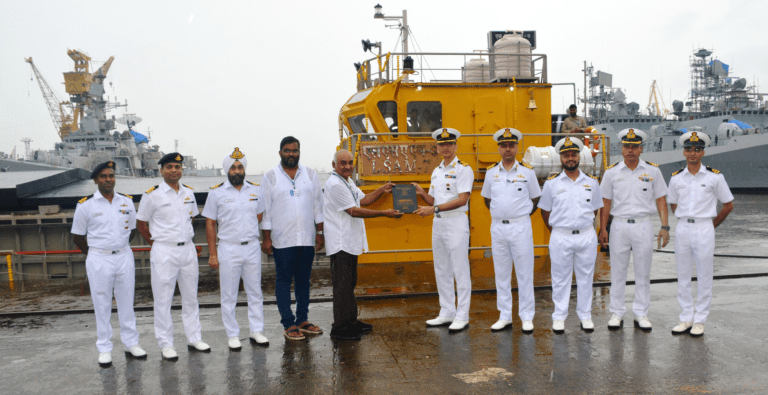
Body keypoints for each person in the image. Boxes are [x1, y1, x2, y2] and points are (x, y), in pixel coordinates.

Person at [71, 161, 147, 367]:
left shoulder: (127, 202)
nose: (108, 180)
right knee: (102, 303)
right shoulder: (86, 204)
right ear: (96, 180)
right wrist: (95, 254)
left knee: (126, 301)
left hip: (123, 255)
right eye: (103, 176)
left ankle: (131, 343)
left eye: (111, 176)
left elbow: (132, 230)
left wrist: (118, 248)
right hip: (99, 258)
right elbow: (78, 236)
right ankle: (104, 348)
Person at [136, 152, 210, 361]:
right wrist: (157, 244)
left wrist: (184, 239)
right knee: (163, 299)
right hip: (164, 250)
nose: (174, 171)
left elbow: (191, 220)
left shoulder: (189, 193)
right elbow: (141, 224)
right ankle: (166, 344)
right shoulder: (152, 195)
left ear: (181, 170)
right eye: (169, 167)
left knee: (190, 297)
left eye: (177, 167)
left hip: (186, 249)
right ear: (161, 171)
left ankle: (194, 338)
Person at [323, 149, 402, 340]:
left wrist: (382, 189)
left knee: (349, 284)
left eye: (350, 162)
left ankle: (351, 322)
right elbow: (354, 211)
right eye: (343, 163)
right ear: (334, 165)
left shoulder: (347, 181)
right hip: (341, 243)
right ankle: (340, 329)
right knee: (342, 286)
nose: (348, 166)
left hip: (350, 242)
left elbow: (364, 200)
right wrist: (384, 213)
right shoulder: (334, 184)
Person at [599, 128, 670, 331]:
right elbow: (605, 203)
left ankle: (641, 313)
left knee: (643, 272)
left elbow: (661, 200)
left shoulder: (653, 171)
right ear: (622, 149)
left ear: (641, 149)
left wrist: (664, 226)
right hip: (619, 225)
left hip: (643, 225)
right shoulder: (612, 172)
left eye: (634, 147)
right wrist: (603, 229)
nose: (630, 150)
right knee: (618, 272)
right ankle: (617, 312)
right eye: (627, 146)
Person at [667, 131, 733, 337]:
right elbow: (673, 203)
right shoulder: (676, 178)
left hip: (705, 228)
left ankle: (700, 320)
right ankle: (686, 317)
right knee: (683, 274)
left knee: (705, 275)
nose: (692, 153)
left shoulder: (715, 177)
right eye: (689, 150)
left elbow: (728, 205)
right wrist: (683, 218)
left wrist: (711, 225)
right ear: (684, 152)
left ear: (703, 152)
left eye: (697, 150)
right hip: (684, 228)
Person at [202, 148, 269, 350]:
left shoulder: (256, 190)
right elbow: (210, 224)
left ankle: (256, 331)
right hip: (228, 248)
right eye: (233, 168)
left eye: (240, 167)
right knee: (229, 294)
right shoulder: (216, 193)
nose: (237, 171)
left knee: (255, 291)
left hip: (251, 247)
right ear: (226, 171)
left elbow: (259, 215)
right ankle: (232, 334)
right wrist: (213, 254)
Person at [260, 136, 325, 341]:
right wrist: (267, 238)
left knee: (304, 281)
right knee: (283, 281)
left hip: (306, 237)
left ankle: (303, 319)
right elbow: (266, 210)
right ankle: (288, 323)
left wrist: (320, 233)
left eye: (295, 151)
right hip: (282, 239)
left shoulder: (311, 174)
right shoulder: (270, 176)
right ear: (280, 152)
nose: (291, 154)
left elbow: (318, 206)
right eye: (287, 150)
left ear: (299, 152)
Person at [538, 137, 603, 334]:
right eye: (566, 155)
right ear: (561, 158)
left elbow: (595, 210)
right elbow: (545, 211)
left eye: (574, 154)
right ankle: (559, 316)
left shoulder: (592, 183)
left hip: (585, 235)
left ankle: (585, 315)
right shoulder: (551, 184)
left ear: (579, 157)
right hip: (561, 236)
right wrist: (557, 231)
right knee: (560, 278)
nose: (570, 158)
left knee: (586, 277)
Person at [480, 128, 541, 333]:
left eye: (511, 145)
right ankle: (504, 315)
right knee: (501, 273)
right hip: (498, 227)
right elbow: (487, 200)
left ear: (517, 148)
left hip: (520, 227)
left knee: (525, 273)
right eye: (504, 145)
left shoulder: (528, 172)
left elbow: (535, 199)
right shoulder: (491, 173)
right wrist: (503, 214)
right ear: (499, 148)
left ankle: (526, 316)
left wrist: (519, 216)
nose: (508, 149)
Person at [413, 128, 474, 332]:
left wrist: (433, 208)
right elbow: (434, 200)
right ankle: (447, 311)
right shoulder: (436, 171)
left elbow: (462, 199)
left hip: (455, 221)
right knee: (442, 269)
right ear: (437, 147)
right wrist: (422, 193)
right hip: (438, 222)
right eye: (442, 144)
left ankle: (462, 315)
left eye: (450, 144)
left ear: (456, 146)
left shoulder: (463, 169)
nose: (446, 147)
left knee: (460, 269)